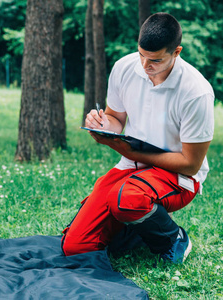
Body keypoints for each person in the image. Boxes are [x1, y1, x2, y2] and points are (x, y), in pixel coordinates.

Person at [62, 13, 214, 263]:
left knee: (125, 198)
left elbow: (191, 164)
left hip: (179, 177)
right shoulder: (124, 67)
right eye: (141, 54)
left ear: (176, 52)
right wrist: (103, 125)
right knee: (76, 247)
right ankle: (135, 227)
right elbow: (116, 118)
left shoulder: (197, 92)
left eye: (155, 59)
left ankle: (174, 238)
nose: (144, 65)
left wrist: (131, 153)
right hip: (132, 170)